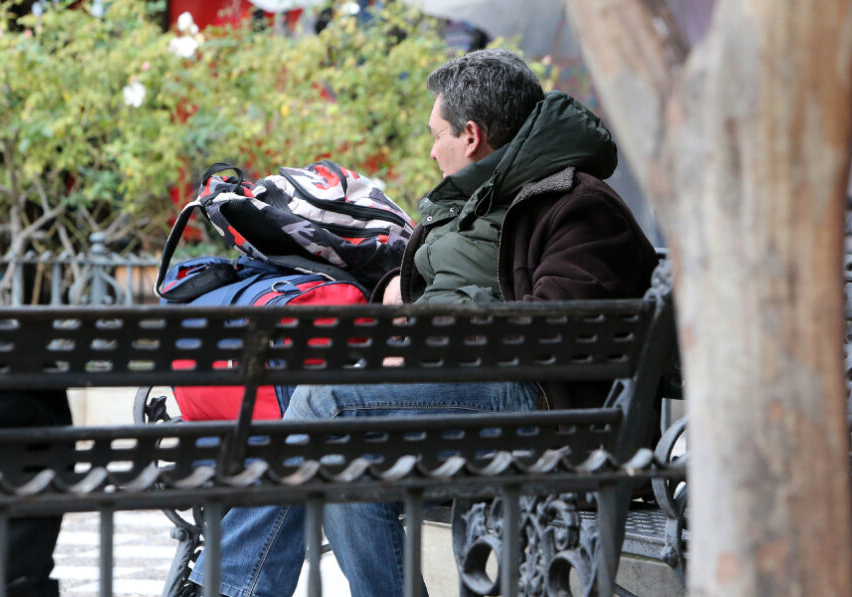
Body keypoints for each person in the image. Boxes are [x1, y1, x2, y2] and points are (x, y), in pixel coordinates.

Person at [182, 48, 658, 597]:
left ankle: (226, 589)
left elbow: (554, 330)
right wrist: (398, 297)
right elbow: (459, 282)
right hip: (472, 387)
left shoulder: (578, 204)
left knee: (328, 406)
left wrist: (423, 342)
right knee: (326, 428)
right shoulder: (477, 199)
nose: (431, 150)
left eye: (437, 134)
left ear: (472, 135)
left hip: (547, 409)